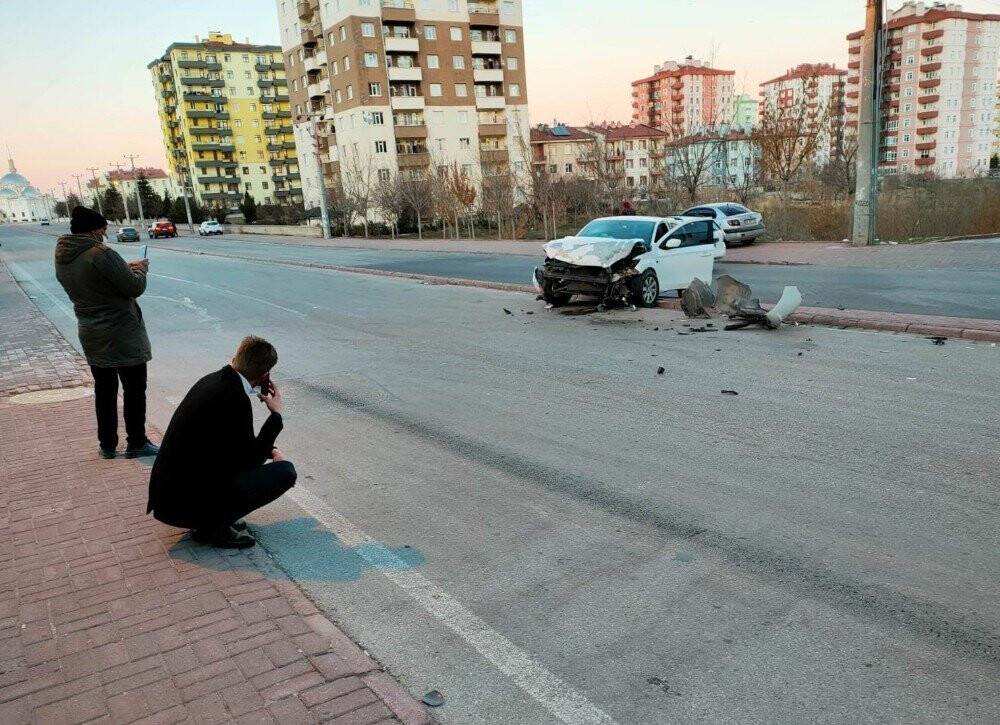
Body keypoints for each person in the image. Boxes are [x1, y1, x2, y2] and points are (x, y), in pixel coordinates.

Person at [147, 336, 297, 548]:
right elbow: (249, 461)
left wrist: (269, 449)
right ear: (265, 375)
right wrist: (276, 415)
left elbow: (233, 448)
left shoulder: (214, 380)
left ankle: (214, 518)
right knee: (285, 472)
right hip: (182, 505)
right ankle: (212, 527)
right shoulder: (234, 398)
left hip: (170, 497)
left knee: (243, 471)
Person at [54, 206, 159, 460]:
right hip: (122, 333)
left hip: (91, 333)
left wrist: (125, 269)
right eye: (102, 229)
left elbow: (97, 284)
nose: (104, 234)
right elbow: (133, 286)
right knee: (134, 389)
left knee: (104, 390)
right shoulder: (100, 253)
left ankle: (108, 445)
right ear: (93, 229)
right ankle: (136, 442)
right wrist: (140, 269)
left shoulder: (63, 255)